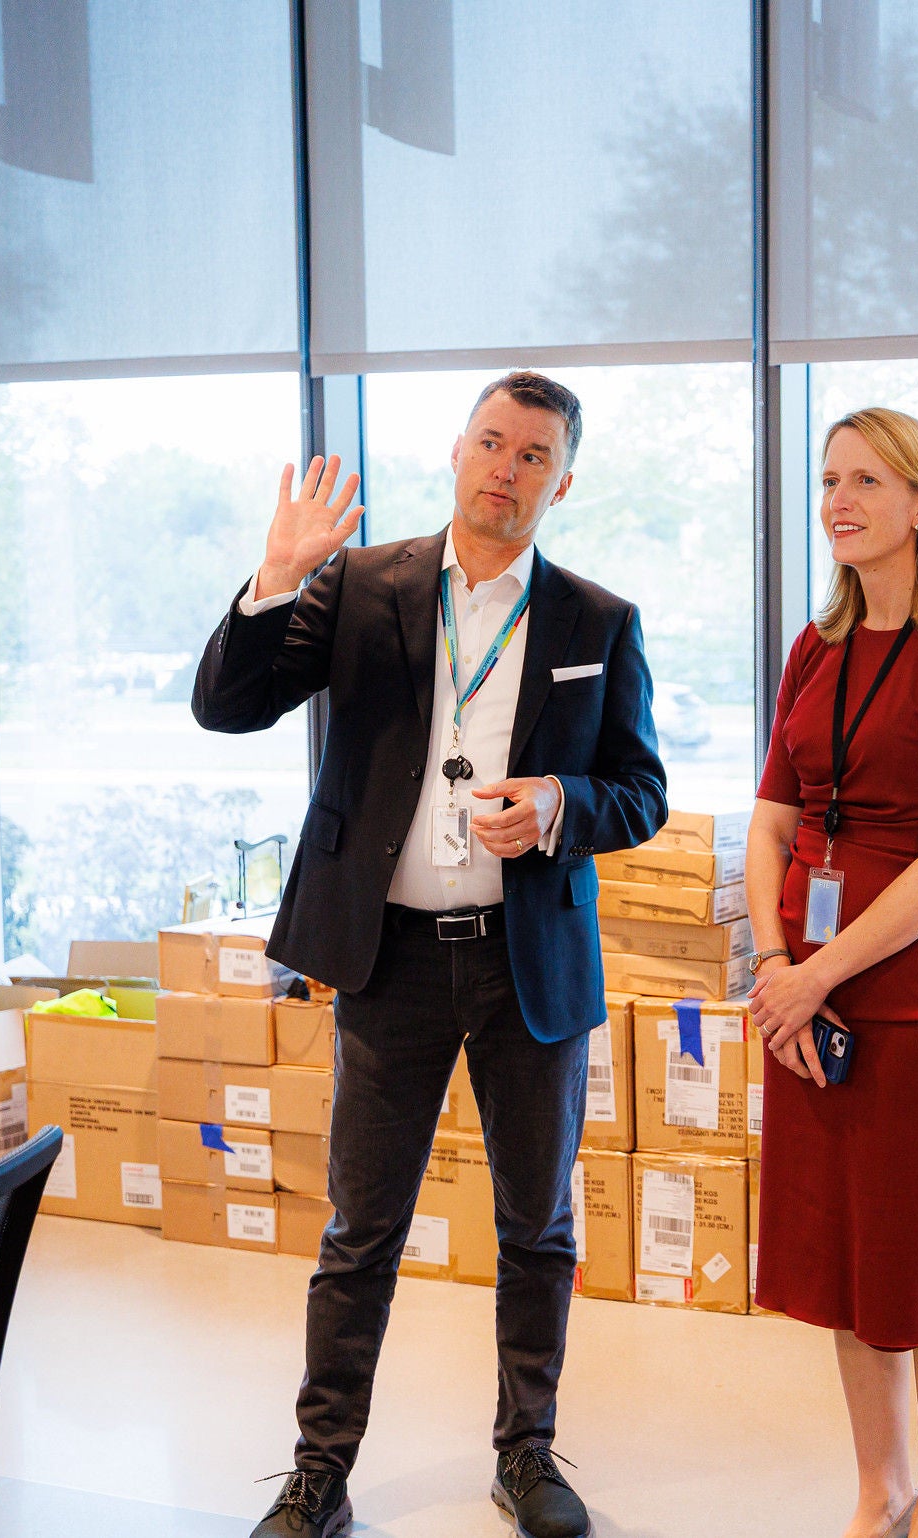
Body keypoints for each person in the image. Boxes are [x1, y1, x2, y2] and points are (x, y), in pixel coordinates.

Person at [192, 371, 666, 1538]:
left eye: (534, 453)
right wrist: (275, 579)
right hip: (387, 956)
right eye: (491, 441)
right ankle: (319, 1470)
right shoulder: (362, 585)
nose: (506, 467)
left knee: (537, 1225)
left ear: (563, 481)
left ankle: (526, 1453)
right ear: (457, 451)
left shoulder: (597, 620)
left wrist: (558, 805)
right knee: (359, 1230)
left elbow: (640, 790)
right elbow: (227, 705)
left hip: (526, 962)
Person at [746, 408, 918, 1538]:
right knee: (843, 1266)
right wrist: (777, 962)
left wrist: (814, 977)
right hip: (803, 995)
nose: (838, 500)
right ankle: (880, 1486)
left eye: (866, 480)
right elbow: (770, 824)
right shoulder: (815, 651)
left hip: (914, 1004)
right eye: (828, 481)